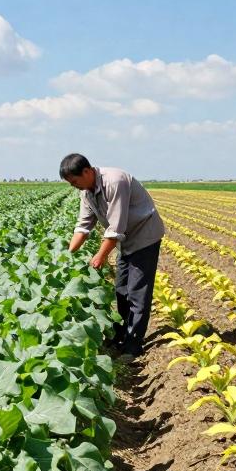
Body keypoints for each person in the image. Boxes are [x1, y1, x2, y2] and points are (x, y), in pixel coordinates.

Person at [60, 153, 165, 360]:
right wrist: (67, 254)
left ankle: (133, 347)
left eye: (75, 181)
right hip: (126, 241)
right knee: (121, 289)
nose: (74, 186)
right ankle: (121, 336)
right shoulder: (86, 192)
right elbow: (83, 227)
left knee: (137, 292)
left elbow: (116, 229)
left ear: (87, 172)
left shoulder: (114, 181)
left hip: (144, 236)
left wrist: (100, 257)